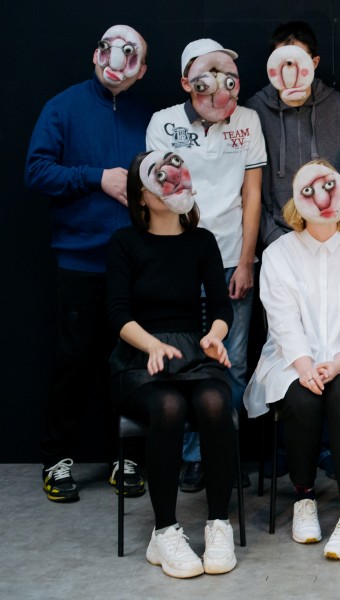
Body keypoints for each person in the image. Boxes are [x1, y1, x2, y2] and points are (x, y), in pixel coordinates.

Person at [25, 24, 151, 502]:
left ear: (142, 69)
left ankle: (128, 458)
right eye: (107, 49)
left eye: (129, 54)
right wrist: (97, 178)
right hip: (80, 260)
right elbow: (36, 170)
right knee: (74, 362)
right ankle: (56, 458)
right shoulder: (62, 107)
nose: (115, 61)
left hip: (135, 262)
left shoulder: (148, 116)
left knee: (132, 364)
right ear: (95, 53)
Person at [244, 161, 340, 560]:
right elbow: (282, 318)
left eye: (329, 188)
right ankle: (303, 498)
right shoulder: (279, 254)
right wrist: (305, 365)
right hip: (292, 357)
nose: (322, 199)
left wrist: (337, 363)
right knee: (302, 399)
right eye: (310, 191)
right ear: (297, 199)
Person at [107, 151, 237, 577]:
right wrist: (152, 346)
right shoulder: (125, 243)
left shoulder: (202, 241)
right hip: (139, 357)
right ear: (141, 196)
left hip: (194, 353)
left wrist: (214, 336)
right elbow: (118, 313)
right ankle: (164, 531)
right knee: (169, 406)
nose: (173, 183)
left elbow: (221, 307)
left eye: (177, 175)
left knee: (215, 401)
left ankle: (218, 524)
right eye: (161, 179)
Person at [147, 38, 266, 492]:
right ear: (187, 82)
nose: (220, 85)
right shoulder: (163, 123)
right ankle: (193, 457)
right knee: (186, 360)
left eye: (228, 76)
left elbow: (252, 194)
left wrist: (246, 261)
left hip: (232, 258)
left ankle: (222, 452)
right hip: (183, 260)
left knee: (232, 362)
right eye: (208, 76)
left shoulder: (248, 120)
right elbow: (165, 193)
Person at [246, 21, 340, 249]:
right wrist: (272, 237)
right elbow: (250, 185)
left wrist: (335, 231)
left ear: (314, 62)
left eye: (298, 60)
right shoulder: (255, 110)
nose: (290, 71)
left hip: (331, 236)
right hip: (276, 240)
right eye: (283, 62)